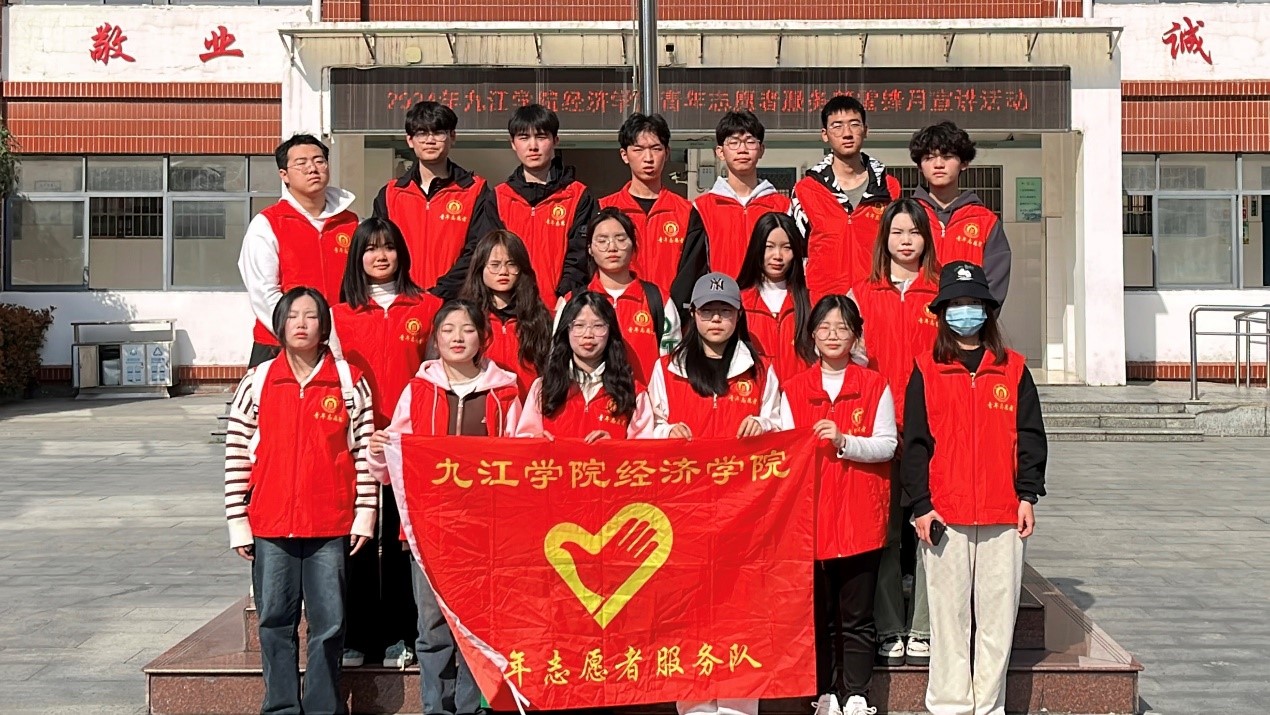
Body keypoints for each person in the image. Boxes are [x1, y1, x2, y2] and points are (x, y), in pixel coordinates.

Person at [902, 261, 1047, 715]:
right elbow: (915, 444)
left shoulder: (1013, 369)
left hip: (1004, 512)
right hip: (944, 515)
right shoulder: (926, 369)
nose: (965, 311)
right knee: (948, 619)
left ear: (987, 310)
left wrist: (1027, 495)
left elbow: (1031, 436)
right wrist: (921, 504)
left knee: (998, 618)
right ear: (943, 311)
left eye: (973, 303)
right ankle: (949, 704)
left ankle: (988, 705)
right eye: (956, 304)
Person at [223, 286, 376, 715]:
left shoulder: (348, 382)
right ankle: (281, 706)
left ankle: (324, 706)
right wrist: (238, 521)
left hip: (330, 522)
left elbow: (365, 454)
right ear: (280, 325)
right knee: (275, 621)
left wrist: (364, 514)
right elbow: (237, 453)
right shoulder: (258, 381)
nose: (302, 324)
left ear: (324, 325)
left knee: (329, 623)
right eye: (293, 316)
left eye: (311, 316)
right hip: (271, 523)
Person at [368, 299, 521, 715]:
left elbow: (519, 457)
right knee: (432, 625)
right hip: (428, 529)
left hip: (483, 529)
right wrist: (380, 449)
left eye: (467, 329)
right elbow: (392, 463)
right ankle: (435, 706)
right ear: (435, 337)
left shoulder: (505, 393)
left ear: (483, 338)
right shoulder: (418, 391)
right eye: (448, 329)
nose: (457, 337)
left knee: (474, 624)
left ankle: (471, 707)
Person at [648, 272, 779, 715]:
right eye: (708, 312)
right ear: (693, 316)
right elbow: (645, 430)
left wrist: (764, 426)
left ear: (738, 316)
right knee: (688, 613)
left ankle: (740, 705)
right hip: (683, 515)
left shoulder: (760, 370)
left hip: (745, 516)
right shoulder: (668, 370)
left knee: (741, 611)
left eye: (724, 311)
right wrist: (667, 433)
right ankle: (695, 705)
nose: (716, 320)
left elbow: (785, 427)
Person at [330, 216, 441, 669]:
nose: (381, 256)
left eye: (389, 247)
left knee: (399, 542)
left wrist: (406, 432)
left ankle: (401, 635)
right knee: (358, 539)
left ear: (401, 253)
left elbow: (433, 375)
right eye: (371, 248)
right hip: (357, 445)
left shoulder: (428, 307)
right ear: (357, 257)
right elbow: (336, 381)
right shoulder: (339, 315)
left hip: (405, 446)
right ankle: (357, 637)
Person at [780, 295, 896, 715]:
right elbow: (781, 448)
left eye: (842, 328)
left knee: (857, 614)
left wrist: (846, 442)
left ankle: (857, 692)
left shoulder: (874, 385)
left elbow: (887, 444)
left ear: (855, 336)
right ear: (812, 335)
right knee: (820, 614)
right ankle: (825, 690)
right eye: (825, 327)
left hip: (859, 514)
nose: (833, 335)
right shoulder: (794, 389)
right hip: (809, 517)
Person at [851, 198, 941, 669]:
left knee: (929, 528)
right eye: (897, 232)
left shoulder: (942, 294)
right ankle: (888, 626)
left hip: (930, 430)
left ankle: (923, 627)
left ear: (928, 239)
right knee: (884, 533)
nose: (906, 241)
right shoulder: (860, 294)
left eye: (915, 232)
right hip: (879, 430)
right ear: (884, 239)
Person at [238, 134, 358, 367]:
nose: (312, 168)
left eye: (319, 161)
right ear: (284, 175)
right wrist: (300, 331)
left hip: (342, 344)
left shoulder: (352, 223)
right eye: (301, 163)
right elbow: (264, 292)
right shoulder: (267, 224)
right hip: (279, 345)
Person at [372, 101, 501, 299]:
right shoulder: (390, 194)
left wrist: (439, 294)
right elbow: (379, 249)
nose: (430, 140)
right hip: (402, 301)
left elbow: (479, 249)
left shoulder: (475, 190)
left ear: (452, 137)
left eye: (438, 132)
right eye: (421, 133)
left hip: (456, 304)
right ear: (410, 140)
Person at [673, 111, 792, 308]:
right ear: (720, 152)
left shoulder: (783, 206)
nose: (742, 150)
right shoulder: (702, 207)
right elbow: (694, 267)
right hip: (721, 306)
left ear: (761, 150)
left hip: (771, 306)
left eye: (750, 142)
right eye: (734, 142)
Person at [791, 96, 903, 299]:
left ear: (866, 130)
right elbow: (796, 251)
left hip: (877, 297)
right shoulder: (806, 190)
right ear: (824, 134)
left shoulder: (888, 188)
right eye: (837, 126)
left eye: (854, 124)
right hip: (824, 301)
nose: (847, 133)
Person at [557, 208, 681, 385]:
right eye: (602, 240)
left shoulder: (659, 300)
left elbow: (671, 364)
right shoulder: (572, 301)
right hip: (586, 400)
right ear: (590, 248)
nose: (612, 247)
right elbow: (558, 358)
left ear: (633, 244)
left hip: (645, 400)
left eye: (621, 239)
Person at [495, 104, 598, 306]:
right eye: (524, 137)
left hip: (560, 308)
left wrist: (565, 295)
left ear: (555, 141)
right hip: (511, 309)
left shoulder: (578, 195)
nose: (533, 146)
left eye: (541, 137)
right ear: (513, 143)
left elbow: (581, 255)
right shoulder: (499, 197)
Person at [517, 292, 655, 441]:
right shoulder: (543, 388)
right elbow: (523, 442)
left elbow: (643, 449)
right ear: (566, 330)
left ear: (611, 331)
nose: (588, 334)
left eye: (598, 326)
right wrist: (535, 441)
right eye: (579, 325)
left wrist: (614, 447)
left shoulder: (632, 392)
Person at [909, 122, 1011, 304]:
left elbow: (995, 286)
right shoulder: (905, 217)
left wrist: (976, 318)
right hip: (912, 318)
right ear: (919, 165)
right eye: (929, 158)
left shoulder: (985, 221)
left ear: (964, 163)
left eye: (947, 157)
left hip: (965, 318)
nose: (938, 164)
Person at [600, 112, 693, 288]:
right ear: (624, 155)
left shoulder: (686, 211)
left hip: (670, 304)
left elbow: (692, 270)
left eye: (656, 149)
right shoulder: (604, 209)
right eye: (638, 149)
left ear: (667, 153)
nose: (648, 158)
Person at [457, 230, 552, 398]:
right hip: (482, 406)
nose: (503, 271)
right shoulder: (466, 318)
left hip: (528, 407)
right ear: (480, 268)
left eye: (511, 264)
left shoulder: (540, 318)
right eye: (494, 265)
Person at [736, 211, 816, 384]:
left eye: (787, 247)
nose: (778, 256)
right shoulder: (739, 303)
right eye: (769, 246)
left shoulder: (811, 301)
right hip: (756, 394)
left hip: (799, 395)